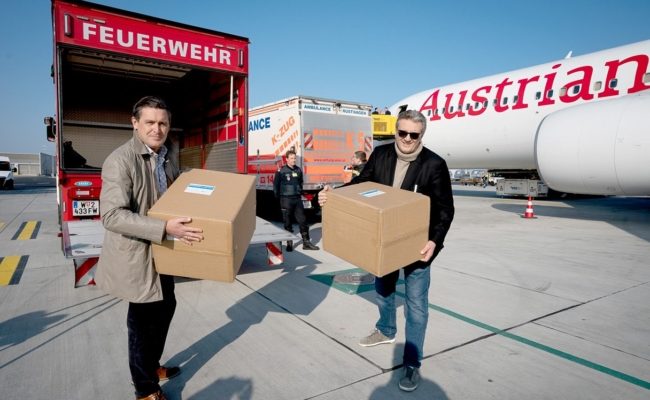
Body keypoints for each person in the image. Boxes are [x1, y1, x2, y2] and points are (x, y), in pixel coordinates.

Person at [318, 110, 454, 392]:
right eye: (402, 133)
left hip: (418, 247)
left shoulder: (434, 164)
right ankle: (386, 330)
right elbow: (359, 186)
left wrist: (435, 242)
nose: (406, 139)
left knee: (416, 306)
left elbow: (445, 209)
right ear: (395, 131)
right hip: (384, 242)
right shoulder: (380, 155)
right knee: (383, 289)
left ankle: (412, 364)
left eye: (413, 135)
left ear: (421, 136)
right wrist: (334, 194)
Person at [96, 96, 204, 400]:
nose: (157, 129)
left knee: (166, 307)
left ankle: (151, 365)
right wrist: (163, 228)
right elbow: (112, 215)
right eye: (150, 122)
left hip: (163, 251)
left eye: (163, 123)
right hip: (138, 255)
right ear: (135, 123)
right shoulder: (120, 161)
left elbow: (173, 196)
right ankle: (145, 390)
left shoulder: (166, 157)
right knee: (142, 324)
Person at [273, 149, 319, 251]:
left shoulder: (298, 170)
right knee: (287, 222)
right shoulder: (281, 171)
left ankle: (306, 243)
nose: (294, 160)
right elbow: (275, 186)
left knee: (303, 221)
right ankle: (289, 243)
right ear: (287, 159)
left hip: (297, 199)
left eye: (295, 158)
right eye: (292, 158)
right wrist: (279, 198)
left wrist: (299, 192)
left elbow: (300, 183)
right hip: (286, 199)